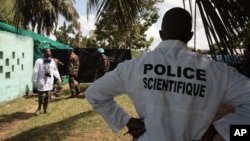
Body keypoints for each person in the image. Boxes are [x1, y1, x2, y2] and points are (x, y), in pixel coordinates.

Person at [85, 7, 250, 141]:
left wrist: (125, 120)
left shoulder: (134, 66)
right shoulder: (217, 71)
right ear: (190, 36)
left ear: (161, 35)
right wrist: (218, 130)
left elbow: (94, 93)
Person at [32, 48, 61, 115]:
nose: (49, 52)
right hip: (41, 81)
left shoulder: (52, 61)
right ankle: (39, 108)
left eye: (50, 51)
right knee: (41, 97)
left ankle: (45, 109)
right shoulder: (39, 61)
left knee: (48, 96)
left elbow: (55, 70)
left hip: (49, 81)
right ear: (44, 52)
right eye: (48, 51)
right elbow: (35, 71)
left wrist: (58, 78)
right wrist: (34, 81)